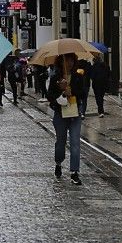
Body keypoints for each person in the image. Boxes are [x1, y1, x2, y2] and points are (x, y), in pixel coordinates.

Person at [46, 54, 88, 185]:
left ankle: (74, 172)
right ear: (61, 62)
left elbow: (83, 93)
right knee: (60, 142)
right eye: (66, 60)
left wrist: (72, 91)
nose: (69, 63)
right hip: (60, 114)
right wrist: (62, 93)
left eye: (71, 60)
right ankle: (58, 163)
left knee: (75, 142)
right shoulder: (55, 78)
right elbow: (50, 96)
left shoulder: (78, 77)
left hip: (75, 114)